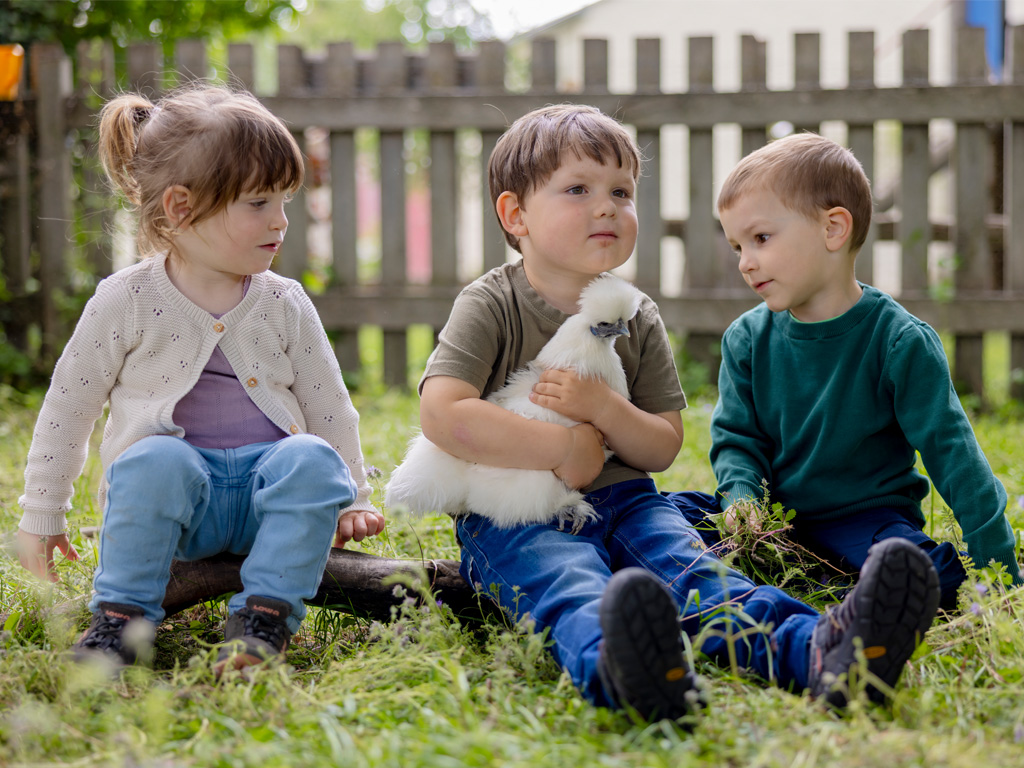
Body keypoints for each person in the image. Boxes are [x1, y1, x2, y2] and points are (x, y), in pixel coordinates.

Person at [415, 105, 941, 720]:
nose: (607, 207)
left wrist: (605, 409)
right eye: (578, 190)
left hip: (629, 501)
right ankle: (626, 668)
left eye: (621, 192)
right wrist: (563, 448)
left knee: (697, 576)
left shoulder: (635, 315)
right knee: (567, 584)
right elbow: (444, 414)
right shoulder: (491, 303)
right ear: (515, 215)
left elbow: (662, 445)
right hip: (515, 515)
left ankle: (821, 653)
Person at [16, 85, 384, 674]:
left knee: (313, 460)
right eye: (258, 203)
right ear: (181, 206)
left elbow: (329, 405)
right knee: (155, 460)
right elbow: (68, 408)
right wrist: (43, 510)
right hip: (178, 509)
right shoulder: (126, 299)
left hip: (268, 500)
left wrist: (355, 498)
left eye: (284, 201)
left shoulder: (284, 302)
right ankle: (120, 620)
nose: (280, 221)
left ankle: (262, 620)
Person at [666, 132, 1020, 611]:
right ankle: (813, 576)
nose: (746, 263)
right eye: (737, 247)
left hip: (865, 525)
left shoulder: (897, 340)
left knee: (914, 569)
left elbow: (954, 455)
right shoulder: (746, 339)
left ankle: (872, 584)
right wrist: (742, 500)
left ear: (833, 229)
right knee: (662, 513)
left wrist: (1000, 573)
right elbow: (737, 439)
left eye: (761, 238)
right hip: (774, 523)